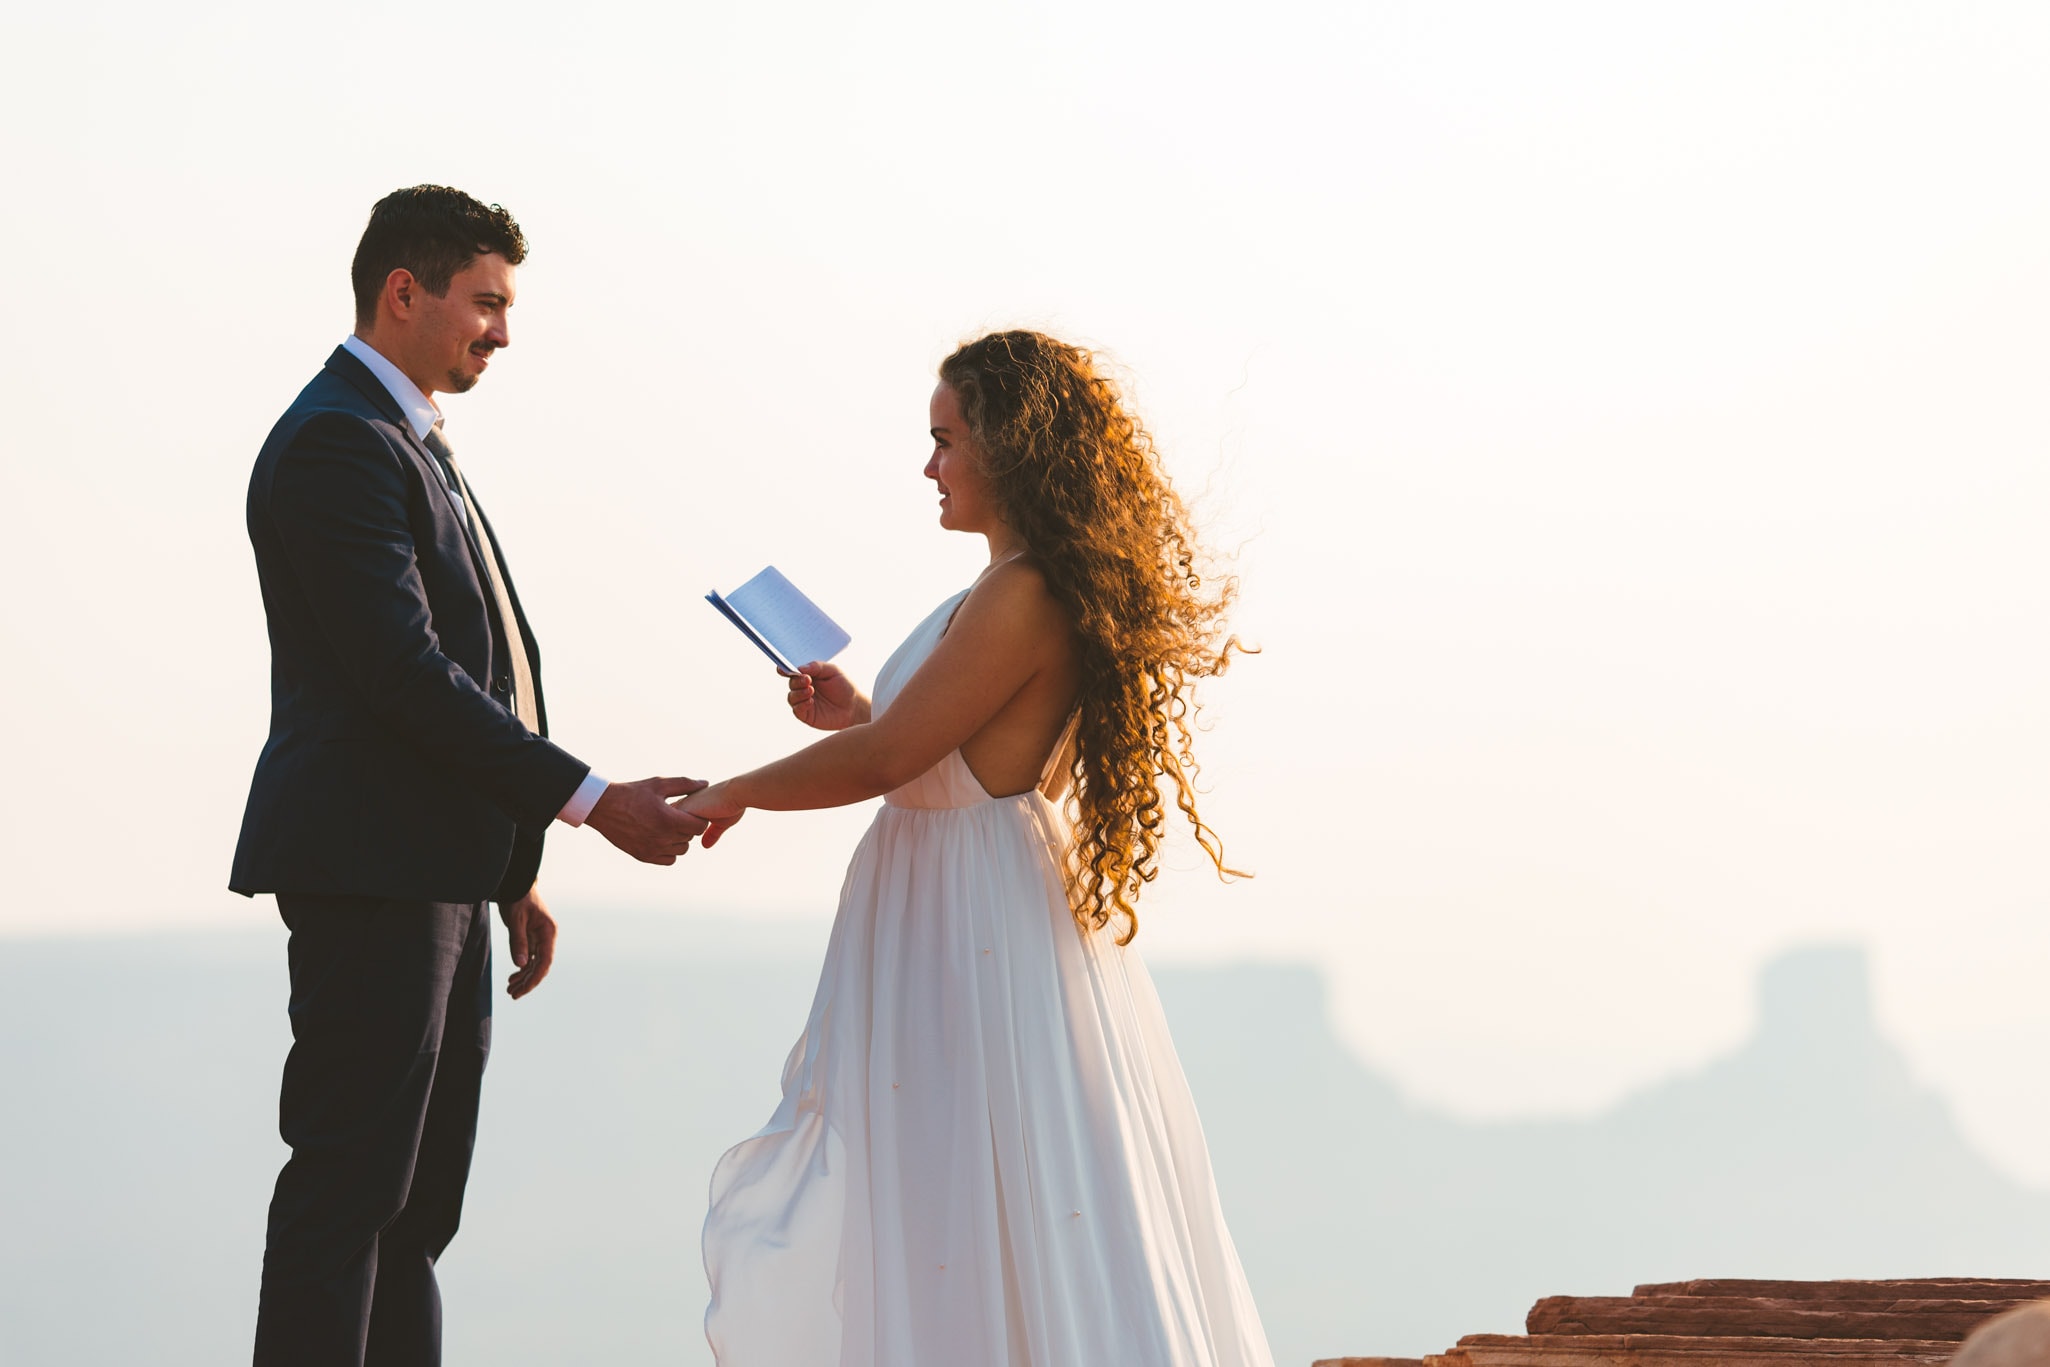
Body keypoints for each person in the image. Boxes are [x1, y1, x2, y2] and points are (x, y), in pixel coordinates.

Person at [688, 330, 1275, 1366]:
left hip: (968, 920)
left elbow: (896, 761)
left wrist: (724, 793)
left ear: (1006, 446)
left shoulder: (1021, 589)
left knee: (979, 1181)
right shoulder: (1007, 585)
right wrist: (859, 712)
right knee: (966, 1185)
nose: (929, 468)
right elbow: (941, 751)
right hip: (952, 902)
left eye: (945, 441)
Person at [230, 184, 710, 1367]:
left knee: (415, 1212)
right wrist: (592, 801)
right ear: (405, 291)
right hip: (372, 871)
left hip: (437, 869)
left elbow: (460, 678)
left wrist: (507, 864)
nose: (502, 330)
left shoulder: (402, 437)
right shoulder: (342, 438)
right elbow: (406, 674)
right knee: (351, 1195)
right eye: (485, 302)